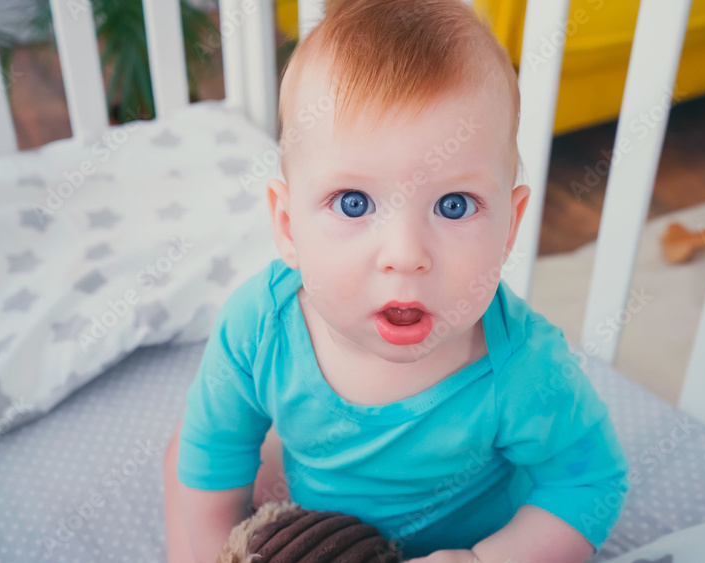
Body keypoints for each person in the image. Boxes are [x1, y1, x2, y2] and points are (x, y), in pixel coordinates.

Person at [163, 0, 629, 561]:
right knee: (188, 460)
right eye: (353, 202)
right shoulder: (258, 326)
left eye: (455, 205)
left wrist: (483, 560)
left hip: (466, 543)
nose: (406, 256)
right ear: (288, 226)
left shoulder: (523, 367)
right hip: (314, 529)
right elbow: (212, 455)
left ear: (510, 228)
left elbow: (590, 484)